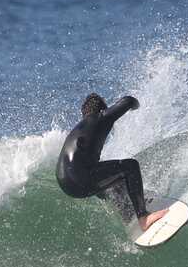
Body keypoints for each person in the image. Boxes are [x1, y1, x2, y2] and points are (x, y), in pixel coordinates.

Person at [55, 93, 168, 230]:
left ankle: (128, 213)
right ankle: (143, 217)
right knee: (130, 166)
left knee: (113, 181)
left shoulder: (80, 130)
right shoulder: (100, 117)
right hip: (80, 177)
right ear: (102, 109)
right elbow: (129, 101)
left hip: (67, 183)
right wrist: (137, 107)